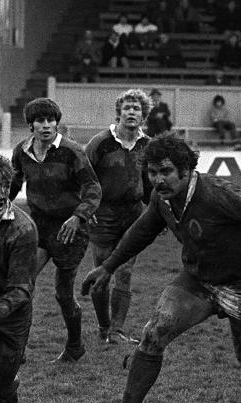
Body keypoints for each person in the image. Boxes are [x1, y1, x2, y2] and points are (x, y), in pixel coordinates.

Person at [80, 135, 241, 403]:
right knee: (153, 333)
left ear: (186, 170)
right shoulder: (162, 198)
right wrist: (108, 266)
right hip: (197, 281)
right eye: (152, 173)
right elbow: (144, 229)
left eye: (166, 171)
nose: (158, 180)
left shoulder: (216, 192)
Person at [10, 98, 101, 363]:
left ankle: (75, 346)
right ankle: (17, 348)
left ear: (57, 123)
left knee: (62, 293)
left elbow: (93, 189)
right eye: (41, 121)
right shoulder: (22, 152)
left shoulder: (71, 151)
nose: (47, 125)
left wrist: (78, 216)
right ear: (31, 125)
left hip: (69, 230)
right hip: (37, 228)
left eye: (51, 120)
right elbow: (13, 186)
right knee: (20, 284)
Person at [85, 89, 152, 346]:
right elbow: (83, 177)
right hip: (103, 216)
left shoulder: (148, 145)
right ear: (119, 113)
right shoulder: (100, 142)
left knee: (125, 271)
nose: (131, 112)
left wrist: (158, 214)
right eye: (127, 108)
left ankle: (117, 331)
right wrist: (87, 208)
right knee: (102, 273)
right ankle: (104, 327)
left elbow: (151, 183)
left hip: (133, 216)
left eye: (136, 108)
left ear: (143, 115)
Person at [0, 155, 38, 403]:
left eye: (4, 185)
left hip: (12, 317)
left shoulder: (23, 230)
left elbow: (22, 289)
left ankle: (8, 389)